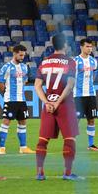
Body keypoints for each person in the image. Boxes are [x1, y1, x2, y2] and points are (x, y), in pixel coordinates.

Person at [34, 34, 81, 181]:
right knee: (70, 138)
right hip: (64, 104)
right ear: (65, 45)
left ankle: (40, 173)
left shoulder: (44, 62)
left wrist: (47, 102)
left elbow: (37, 86)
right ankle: (67, 173)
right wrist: (58, 102)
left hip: (48, 104)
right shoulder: (70, 62)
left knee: (43, 139)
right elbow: (70, 84)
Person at [0, 44, 35, 155]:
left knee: (23, 122)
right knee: (6, 122)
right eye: (20, 55)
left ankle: (23, 147)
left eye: (24, 55)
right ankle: (2, 148)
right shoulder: (6, 67)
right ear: (14, 53)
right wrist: (6, 93)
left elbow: (25, 80)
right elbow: (0, 83)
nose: (22, 57)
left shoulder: (24, 67)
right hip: (10, 100)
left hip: (21, 100)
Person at [74, 38, 98, 151]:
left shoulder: (94, 61)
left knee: (91, 119)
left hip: (91, 94)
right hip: (78, 95)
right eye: (87, 46)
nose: (90, 49)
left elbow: (94, 76)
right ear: (81, 47)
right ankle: (72, 144)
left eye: (91, 46)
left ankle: (91, 144)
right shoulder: (75, 61)